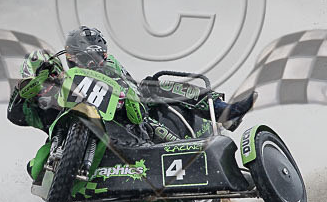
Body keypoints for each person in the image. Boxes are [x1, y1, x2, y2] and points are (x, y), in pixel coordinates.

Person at [63, 26, 257, 137]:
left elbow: (127, 85)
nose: (90, 63)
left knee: (153, 86)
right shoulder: (64, 79)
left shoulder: (111, 64)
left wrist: (140, 89)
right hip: (85, 128)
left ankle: (225, 112)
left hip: (129, 114)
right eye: (81, 57)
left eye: (98, 57)